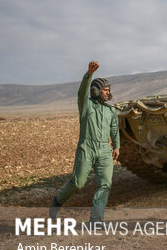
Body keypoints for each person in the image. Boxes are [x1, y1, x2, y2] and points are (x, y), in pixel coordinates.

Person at [49, 61, 120, 222]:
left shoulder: (111, 110)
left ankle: (96, 219)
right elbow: (81, 93)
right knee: (78, 182)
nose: (108, 93)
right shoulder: (86, 105)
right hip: (87, 147)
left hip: (104, 149)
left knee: (105, 184)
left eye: (109, 90)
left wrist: (117, 146)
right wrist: (89, 75)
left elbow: (114, 129)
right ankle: (58, 201)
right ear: (96, 91)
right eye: (105, 90)